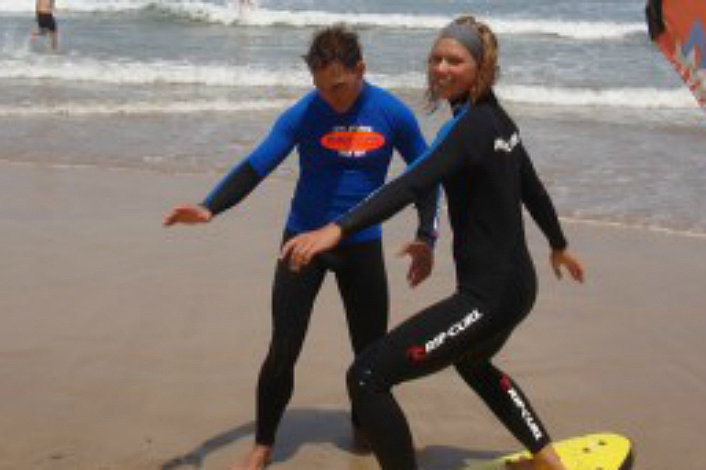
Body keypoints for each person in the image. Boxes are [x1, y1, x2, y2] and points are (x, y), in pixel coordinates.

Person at [281, 15, 585, 470]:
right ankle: (547, 460)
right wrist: (558, 245)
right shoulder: (499, 122)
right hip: (517, 288)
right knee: (473, 363)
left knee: (367, 375)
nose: (441, 68)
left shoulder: (469, 129)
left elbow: (408, 184)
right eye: (436, 59)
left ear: (481, 67)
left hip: (487, 298)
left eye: (454, 61)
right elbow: (532, 188)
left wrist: (336, 229)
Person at [163, 26, 439, 470]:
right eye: (320, 87)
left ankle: (363, 424)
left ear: (361, 69)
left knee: (370, 355)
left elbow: (426, 176)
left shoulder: (391, 113)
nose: (330, 98)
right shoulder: (306, 112)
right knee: (283, 349)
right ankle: (264, 442)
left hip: (361, 247)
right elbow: (256, 165)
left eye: (339, 86)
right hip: (301, 244)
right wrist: (210, 206)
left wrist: (427, 236)